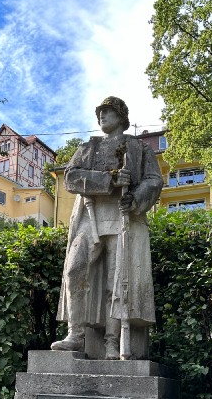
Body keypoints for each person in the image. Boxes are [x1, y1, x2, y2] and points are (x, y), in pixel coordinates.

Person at [51, 96, 163, 359]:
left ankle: (113, 341)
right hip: (90, 218)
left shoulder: (138, 148)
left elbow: (154, 181)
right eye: (99, 112)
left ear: (121, 116)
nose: (101, 116)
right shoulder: (88, 147)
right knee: (74, 270)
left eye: (107, 112)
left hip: (124, 219)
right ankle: (75, 335)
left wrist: (135, 197)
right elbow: (70, 177)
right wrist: (109, 180)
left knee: (117, 282)